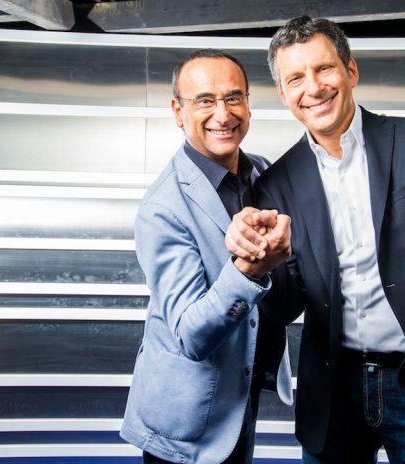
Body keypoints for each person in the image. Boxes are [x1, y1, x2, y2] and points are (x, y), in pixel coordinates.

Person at [225, 16, 405, 463]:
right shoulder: (277, 184)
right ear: (282, 94)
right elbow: (284, 307)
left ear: (351, 70)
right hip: (332, 396)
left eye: (324, 68)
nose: (313, 88)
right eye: (295, 78)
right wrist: (258, 266)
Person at [120, 48, 294, 464]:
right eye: (204, 101)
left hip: (240, 393)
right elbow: (191, 336)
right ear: (178, 112)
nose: (223, 113)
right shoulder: (162, 208)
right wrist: (248, 271)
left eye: (234, 97)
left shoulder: (260, 171)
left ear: (248, 103)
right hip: (185, 419)